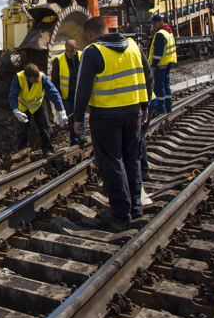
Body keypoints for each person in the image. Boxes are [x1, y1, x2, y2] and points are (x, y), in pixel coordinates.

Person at [73, 16, 153, 232]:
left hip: (106, 115)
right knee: (132, 159)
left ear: (89, 34)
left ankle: (120, 212)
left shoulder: (93, 51)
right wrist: (144, 105)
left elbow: (83, 87)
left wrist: (78, 116)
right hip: (133, 113)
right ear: (107, 29)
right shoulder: (134, 46)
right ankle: (135, 206)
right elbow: (148, 76)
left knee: (112, 161)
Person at [9, 63, 67, 158]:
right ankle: (22, 150)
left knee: (45, 126)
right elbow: (13, 96)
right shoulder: (18, 78)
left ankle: (47, 149)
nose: (38, 80)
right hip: (23, 106)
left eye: (38, 78)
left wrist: (61, 111)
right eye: (34, 79)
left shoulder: (42, 77)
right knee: (22, 129)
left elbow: (54, 93)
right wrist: (16, 110)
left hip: (38, 104)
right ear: (27, 77)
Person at [51, 40, 82, 146]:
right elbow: (55, 80)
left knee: (80, 115)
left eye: (72, 51)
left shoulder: (83, 57)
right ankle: (74, 138)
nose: (69, 54)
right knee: (71, 116)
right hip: (67, 94)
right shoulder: (59, 60)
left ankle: (80, 135)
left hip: (80, 93)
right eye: (67, 51)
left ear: (76, 49)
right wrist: (58, 96)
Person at [149, 14, 177, 114]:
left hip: (160, 63)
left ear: (161, 22)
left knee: (159, 86)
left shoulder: (160, 34)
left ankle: (161, 108)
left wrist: (153, 65)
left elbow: (158, 52)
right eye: (152, 23)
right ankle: (168, 106)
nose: (153, 25)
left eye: (155, 23)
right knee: (166, 85)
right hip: (167, 62)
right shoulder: (168, 31)